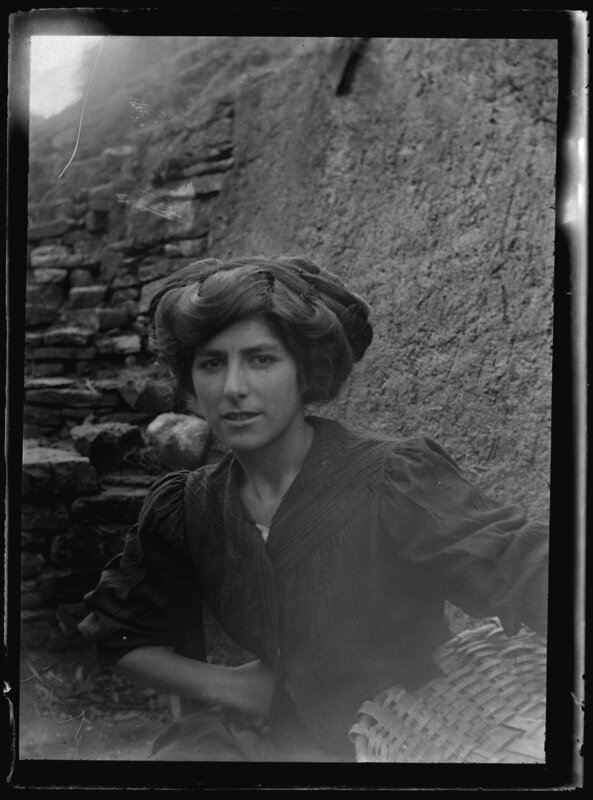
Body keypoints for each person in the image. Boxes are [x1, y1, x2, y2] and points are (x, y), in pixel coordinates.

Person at [79, 256, 549, 762]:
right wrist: (231, 686)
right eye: (212, 363)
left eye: (261, 359)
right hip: (265, 743)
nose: (234, 388)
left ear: (306, 372)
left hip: (409, 740)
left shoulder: (394, 479)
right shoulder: (189, 507)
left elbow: (526, 570)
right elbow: (118, 634)